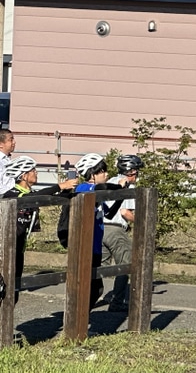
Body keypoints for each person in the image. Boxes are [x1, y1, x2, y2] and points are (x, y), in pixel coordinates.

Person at [2, 156, 77, 298]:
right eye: (33, 171)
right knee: (5, 291)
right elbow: (32, 198)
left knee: (14, 294)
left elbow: (43, 198)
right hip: (6, 249)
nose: (37, 173)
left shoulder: (30, 194)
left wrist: (66, 191)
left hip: (19, 248)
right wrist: (59, 186)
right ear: (24, 175)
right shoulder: (12, 194)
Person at [101, 154, 142, 312]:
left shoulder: (110, 181)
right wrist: (140, 220)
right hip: (116, 229)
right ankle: (117, 302)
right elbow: (125, 212)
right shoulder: (129, 188)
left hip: (101, 227)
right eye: (136, 171)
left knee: (100, 266)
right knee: (124, 265)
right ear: (130, 171)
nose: (137, 175)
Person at [74, 153, 113, 309]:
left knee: (95, 288)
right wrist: (118, 186)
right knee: (90, 287)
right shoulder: (84, 188)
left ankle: (81, 317)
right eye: (102, 171)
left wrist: (122, 194)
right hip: (85, 245)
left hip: (95, 245)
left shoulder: (98, 193)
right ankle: (79, 319)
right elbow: (100, 187)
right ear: (92, 174)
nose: (106, 174)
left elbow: (109, 213)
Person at [0, 129, 16, 196]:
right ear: (0, 144)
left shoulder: (6, 160)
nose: (14, 142)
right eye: (11, 140)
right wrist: (12, 194)